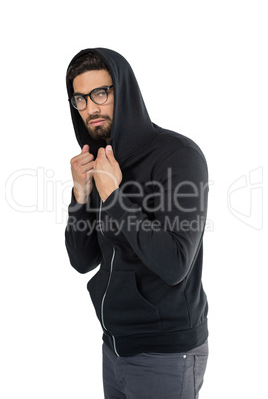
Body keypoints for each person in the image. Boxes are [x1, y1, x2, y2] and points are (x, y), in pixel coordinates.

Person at [65, 48, 209, 399]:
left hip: (165, 354)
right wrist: (80, 196)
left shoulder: (178, 156)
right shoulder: (103, 159)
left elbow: (175, 264)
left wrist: (114, 197)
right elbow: (82, 261)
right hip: (114, 348)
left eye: (101, 93)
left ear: (123, 91)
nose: (91, 109)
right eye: (80, 99)